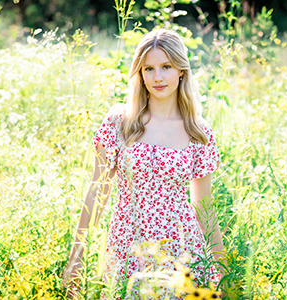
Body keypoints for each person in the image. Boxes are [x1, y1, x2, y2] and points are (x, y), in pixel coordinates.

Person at [62, 28, 225, 299]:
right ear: (139, 73)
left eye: (166, 67)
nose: (157, 77)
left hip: (182, 249)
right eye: (148, 68)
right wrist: (76, 257)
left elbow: (204, 210)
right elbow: (97, 192)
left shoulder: (197, 130)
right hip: (128, 245)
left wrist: (222, 273)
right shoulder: (120, 122)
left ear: (181, 71)